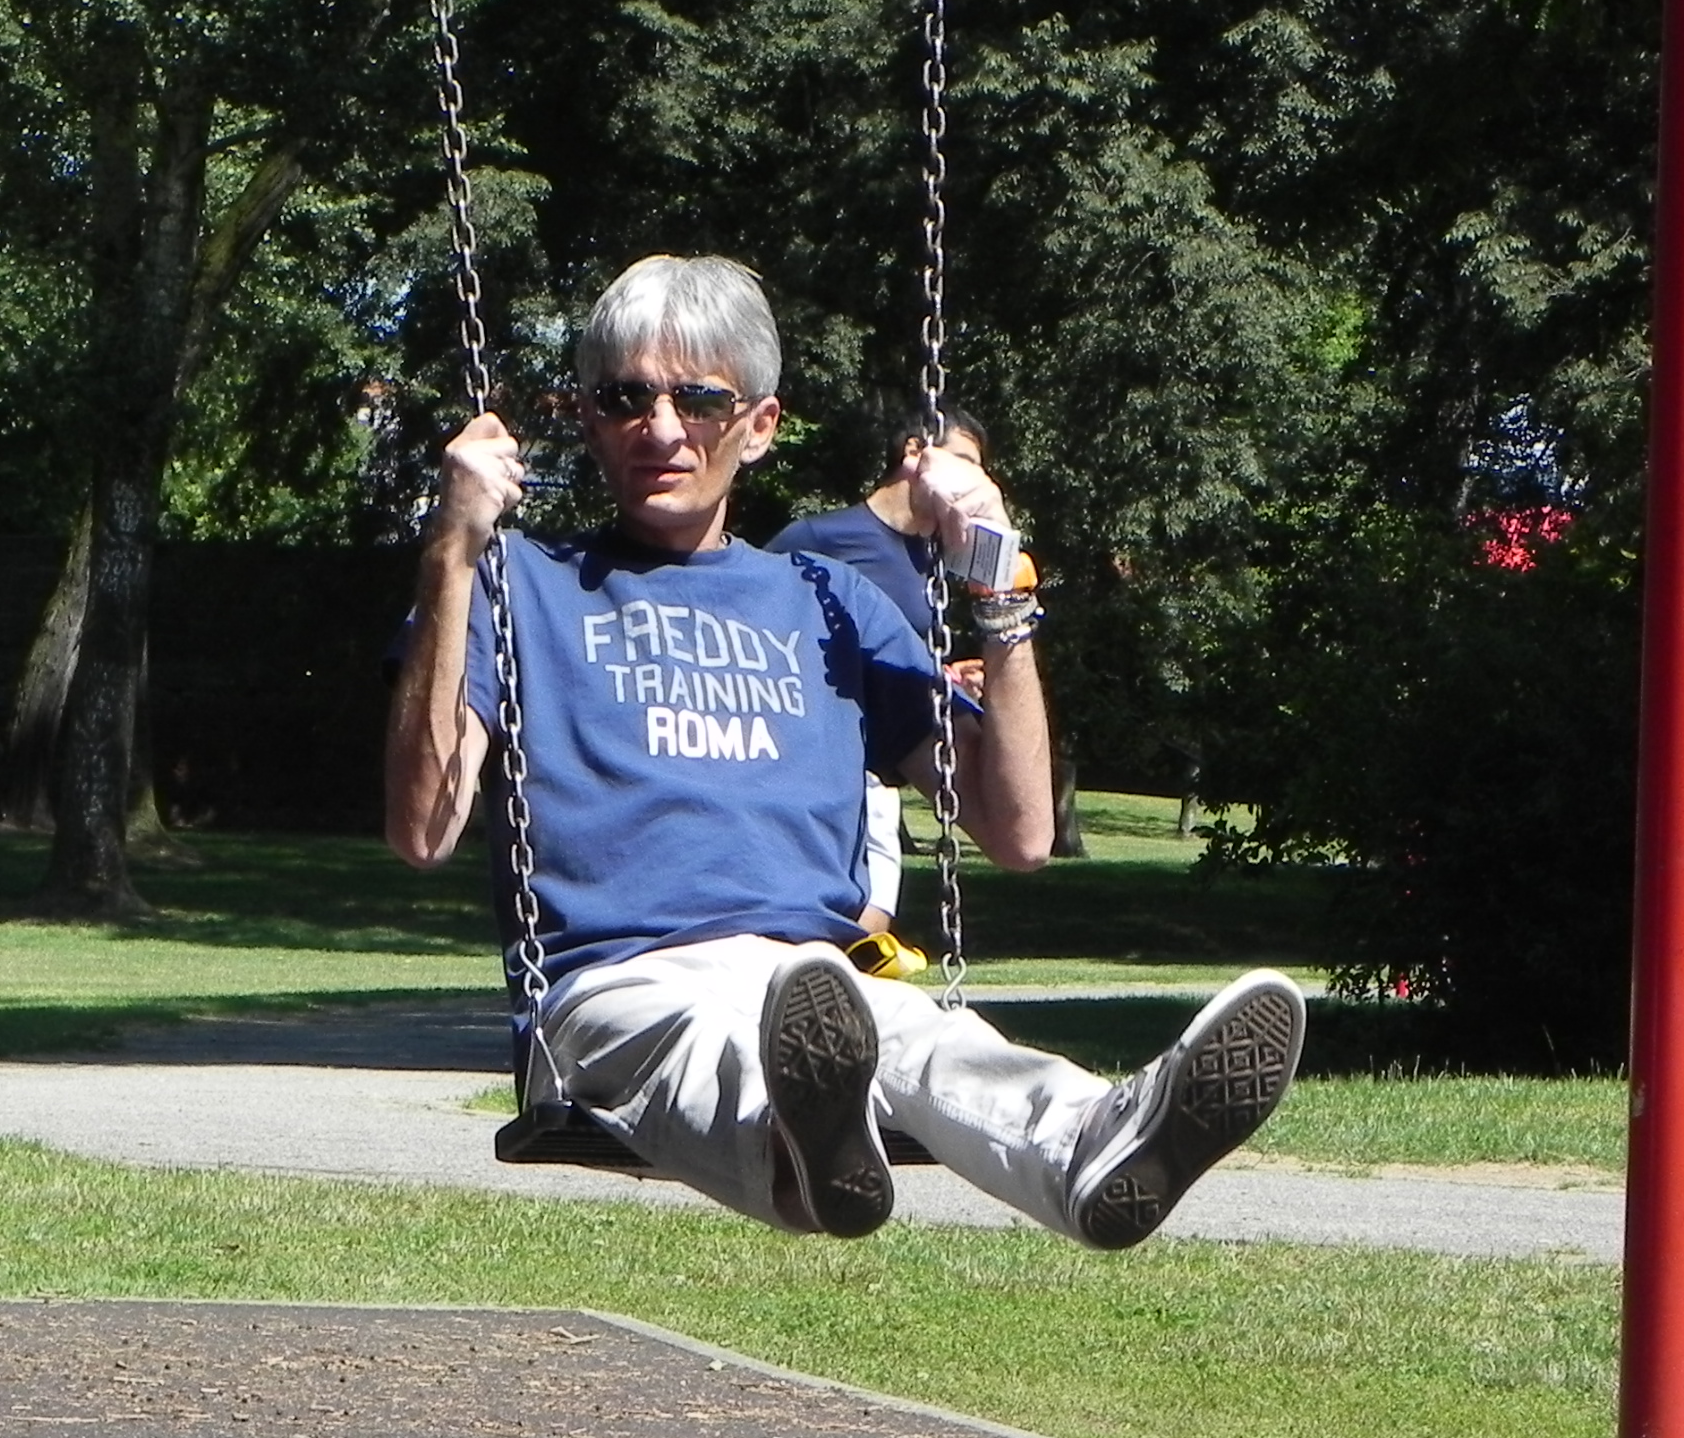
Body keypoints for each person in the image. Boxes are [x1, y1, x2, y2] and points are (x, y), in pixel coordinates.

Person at [385, 254, 1300, 1245]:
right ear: (586, 418)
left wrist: (1000, 589)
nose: (660, 429)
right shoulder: (518, 582)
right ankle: (807, 1143)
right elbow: (423, 828)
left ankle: (1094, 1148)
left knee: (935, 1043)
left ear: (760, 425)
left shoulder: (829, 604)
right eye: (625, 399)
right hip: (620, 980)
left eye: (698, 399)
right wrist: (452, 550)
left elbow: (1022, 832)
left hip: (814, 985)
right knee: (718, 1053)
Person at [765, 406, 1014, 945]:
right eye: (965, 461)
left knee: (862, 939)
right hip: (821, 785)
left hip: (886, 786)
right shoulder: (820, 539)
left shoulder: (933, 566)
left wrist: (948, 677)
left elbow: (890, 669)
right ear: (913, 452)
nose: (978, 481)